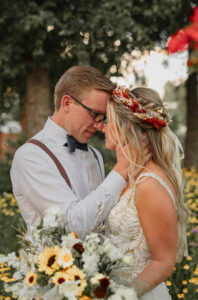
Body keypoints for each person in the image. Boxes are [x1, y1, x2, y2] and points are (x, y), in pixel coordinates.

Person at [10, 66, 130, 241]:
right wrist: (120, 171)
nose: (99, 125)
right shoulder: (30, 156)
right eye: (95, 114)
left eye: (103, 118)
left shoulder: (96, 155)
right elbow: (71, 227)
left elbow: (101, 221)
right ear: (67, 103)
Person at [102, 86, 188, 299]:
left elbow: (164, 263)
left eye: (107, 120)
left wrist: (121, 296)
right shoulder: (131, 176)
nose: (102, 127)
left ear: (124, 127)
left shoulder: (149, 184)